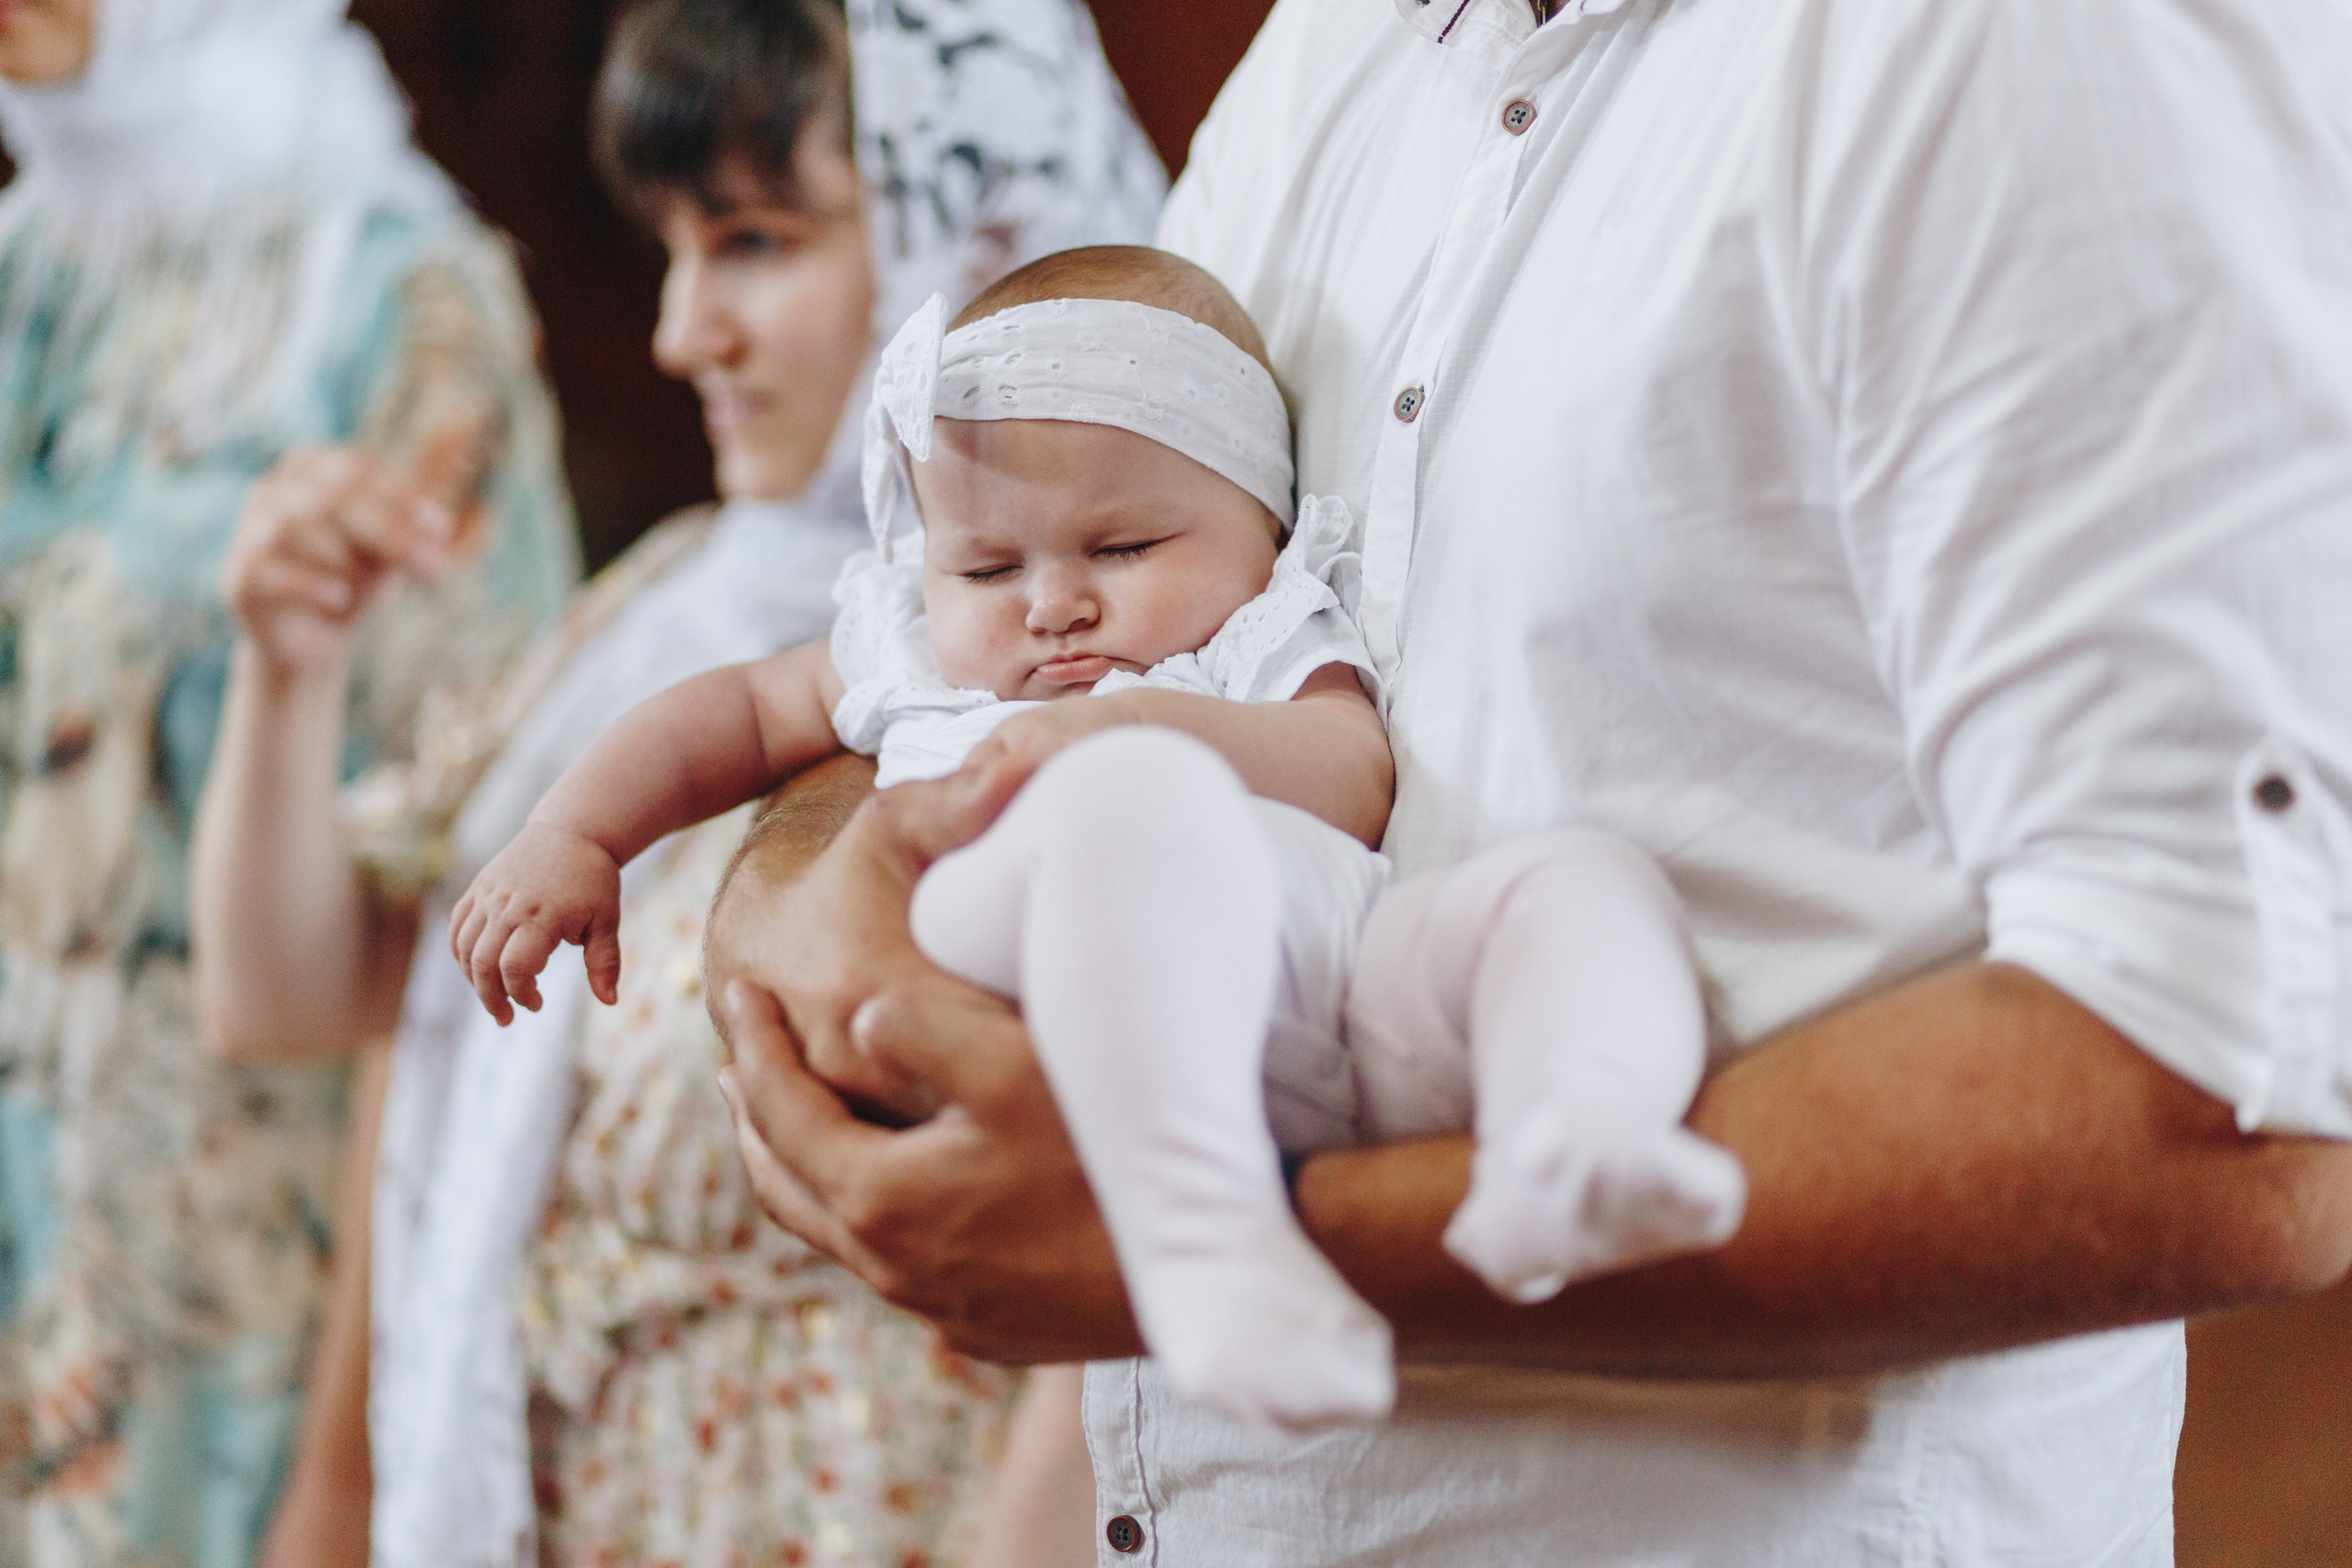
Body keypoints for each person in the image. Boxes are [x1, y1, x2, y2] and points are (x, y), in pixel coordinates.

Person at [705, 0, 2352, 1562]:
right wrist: (805, 915)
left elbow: (2240, 1105)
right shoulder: (1336, 54)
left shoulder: (2039, 53)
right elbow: (1011, 639)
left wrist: (1255, 1244)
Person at [454, 244, 1746, 1430]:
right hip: (1043, 1003)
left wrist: (1143, 726)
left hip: (1331, 1001)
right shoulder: (917, 656)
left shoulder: (1256, 634)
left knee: (1567, 885)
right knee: (1126, 812)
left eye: (1124, 546)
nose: (1056, 606)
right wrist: (578, 831)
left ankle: (1581, 1129)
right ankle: (1203, 1241)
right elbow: (729, 713)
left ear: (1264, 528)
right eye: (987, 569)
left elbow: (1351, 773)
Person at [191, 0, 1163, 1562]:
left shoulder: (1061, 677)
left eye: (758, 243)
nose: (679, 332)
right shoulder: (666, 618)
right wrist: (285, 670)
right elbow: (297, 1000)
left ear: (977, 245)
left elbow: (1131, 1234)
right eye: (673, 245)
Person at [0, 0, 577, 1557]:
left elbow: (463, 928)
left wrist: (344, 1480)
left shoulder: (398, 308)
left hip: (226, 1322)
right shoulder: (36, 269)